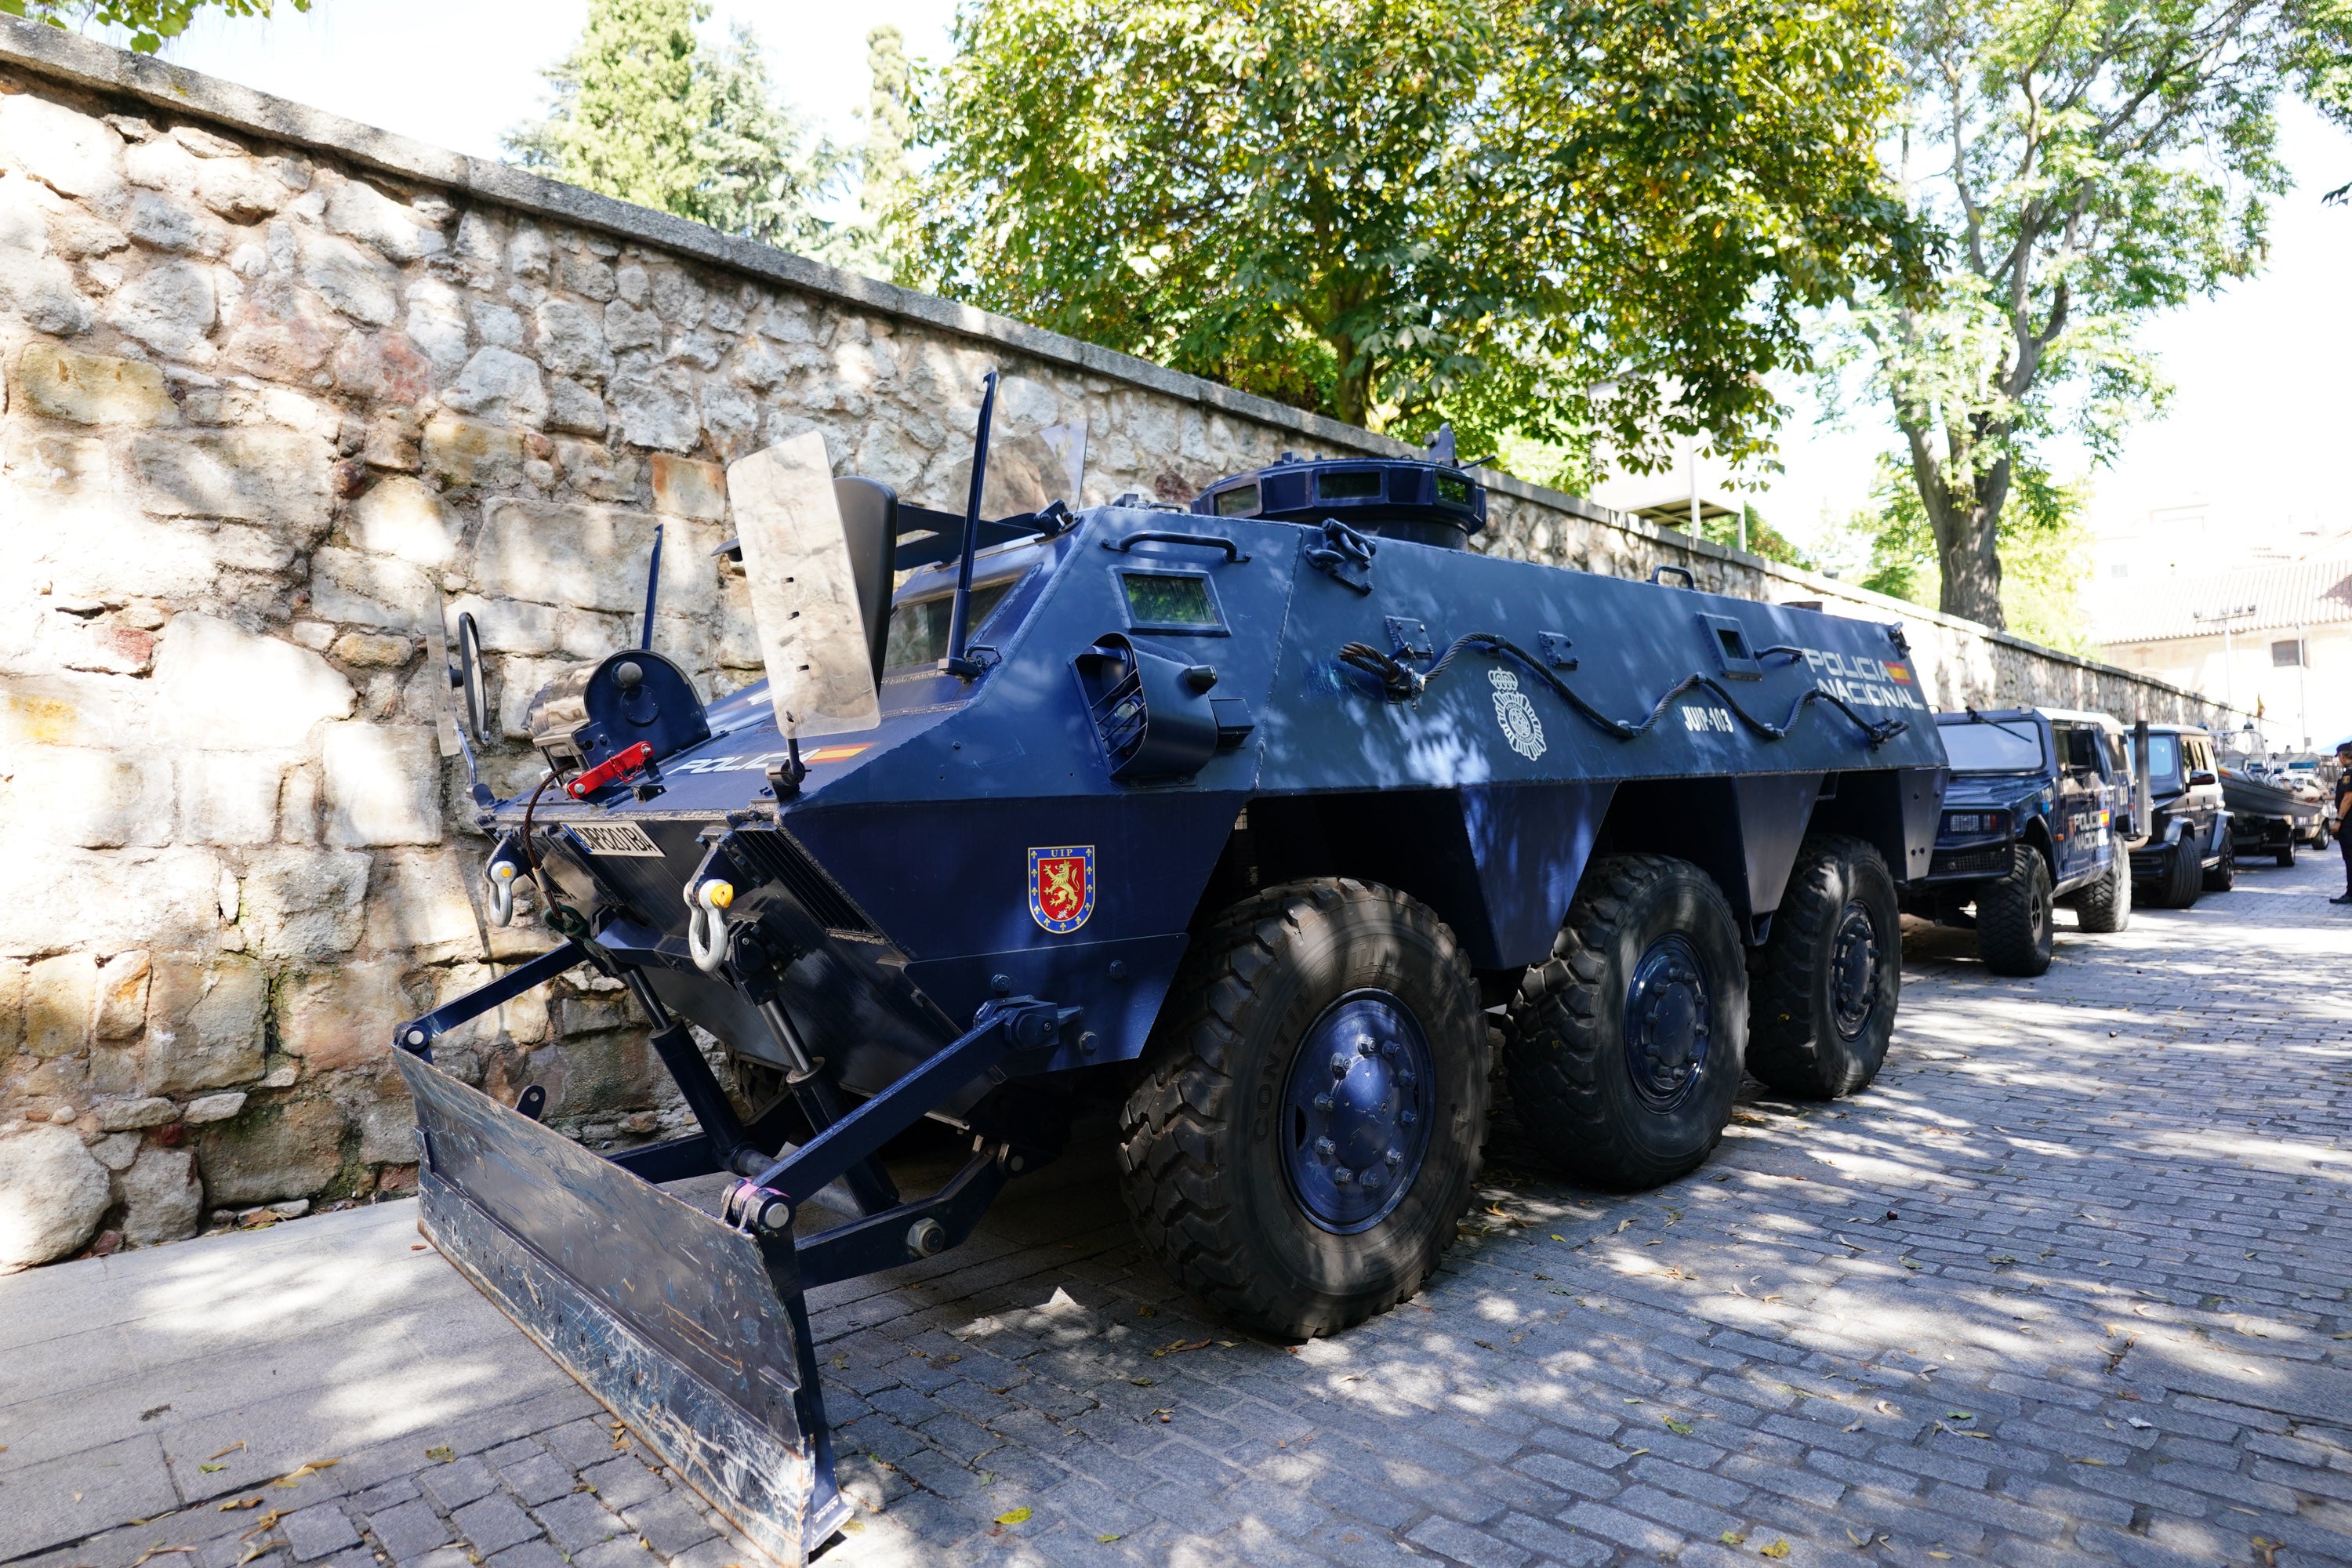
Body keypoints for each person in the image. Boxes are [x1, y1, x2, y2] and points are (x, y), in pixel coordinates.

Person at [2333, 740, 2352, 904]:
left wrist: (2338, 821)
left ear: (2343, 756)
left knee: (2350, 858)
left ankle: (2351, 893)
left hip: (2349, 823)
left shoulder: (2349, 774)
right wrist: (2322, 797)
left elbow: (2348, 798)